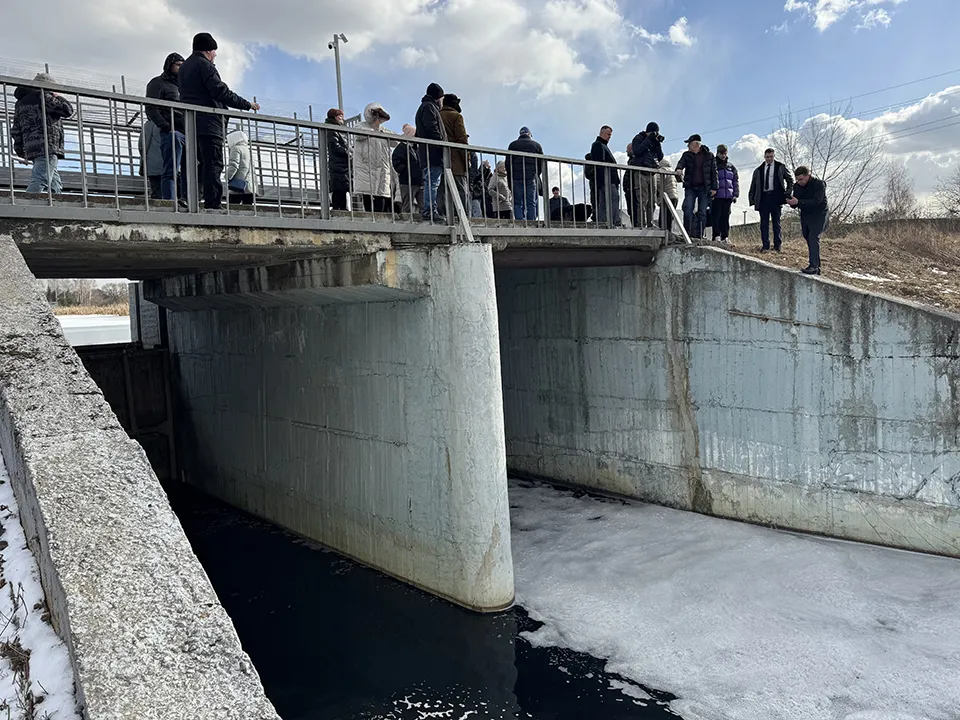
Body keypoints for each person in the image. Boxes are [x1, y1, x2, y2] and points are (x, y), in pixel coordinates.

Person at [178, 33, 259, 209]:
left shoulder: (185, 67)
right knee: (213, 163)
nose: (215, 55)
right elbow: (220, 91)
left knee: (193, 164)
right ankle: (212, 203)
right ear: (208, 50)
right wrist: (247, 104)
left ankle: (189, 198)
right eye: (214, 51)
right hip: (209, 123)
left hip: (191, 123)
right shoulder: (205, 65)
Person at [11, 73, 74, 195]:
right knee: (41, 178)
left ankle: (57, 201)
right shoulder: (44, 96)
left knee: (53, 178)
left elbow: (16, 129)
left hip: (32, 147)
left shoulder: (20, 103)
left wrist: (20, 150)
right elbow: (67, 110)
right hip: (47, 144)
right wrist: (58, 97)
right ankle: (27, 204)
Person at [145, 52, 185, 201]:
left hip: (187, 130)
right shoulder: (158, 82)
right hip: (172, 130)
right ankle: (170, 201)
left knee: (190, 169)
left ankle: (185, 199)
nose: (181, 68)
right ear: (170, 65)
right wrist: (166, 126)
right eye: (178, 65)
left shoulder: (185, 85)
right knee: (171, 169)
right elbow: (150, 107)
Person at [748, 148, 793, 252]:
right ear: (764, 157)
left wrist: (787, 192)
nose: (769, 159)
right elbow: (753, 185)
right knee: (764, 223)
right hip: (763, 198)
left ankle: (777, 246)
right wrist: (752, 199)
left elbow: (790, 180)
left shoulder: (780, 167)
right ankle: (765, 245)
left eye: (771, 157)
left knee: (776, 222)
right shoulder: (759, 170)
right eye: (767, 157)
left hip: (776, 197)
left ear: (774, 156)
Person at [352, 102, 395, 213]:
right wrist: (373, 131)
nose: (379, 121)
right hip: (366, 165)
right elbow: (358, 135)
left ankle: (380, 217)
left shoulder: (383, 130)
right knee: (367, 192)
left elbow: (396, 142)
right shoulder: (360, 126)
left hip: (382, 166)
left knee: (382, 193)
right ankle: (369, 216)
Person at [674, 134, 717, 240]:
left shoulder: (709, 155)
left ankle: (700, 235)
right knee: (688, 208)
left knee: (702, 212)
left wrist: (715, 188)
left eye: (689, 144)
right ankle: (686, 233)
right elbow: (680, 163)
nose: (688, 146)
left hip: (704, 188)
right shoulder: (686, 155)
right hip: (690, 187)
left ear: (696, 144)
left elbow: (714, 172)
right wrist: (679, 169)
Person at [787, 166, 828, 275]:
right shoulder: (797, 186)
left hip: (819, 214)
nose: (799, 182)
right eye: (797, 180)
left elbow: (817, 201)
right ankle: (817, 266)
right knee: (807, 236)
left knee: (813, 236)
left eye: (801, 179)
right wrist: (790, 201)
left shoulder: (819, 184)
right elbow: (796, 203)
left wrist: (799, 202)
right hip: (806, 214)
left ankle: (813, 265)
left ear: (808, 176)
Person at [415, 83, 447, 221]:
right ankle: (429, 211)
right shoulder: (429, 108)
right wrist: (441, 143)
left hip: (428, 152)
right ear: (437, 97)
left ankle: (430, 210)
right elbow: (432, 128)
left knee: (432, 181)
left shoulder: (426, 107)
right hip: (432, 152)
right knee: (432, 182)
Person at [438, 93, 469, 219]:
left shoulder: (437, 115)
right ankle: (463, 218)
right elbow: (462, 140)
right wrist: (466, 161)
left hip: (439, 160)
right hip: (456, 161)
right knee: (461, 191)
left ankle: (443, 216)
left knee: (442, 192)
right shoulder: (457, 116)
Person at [629, 122, 665, 228]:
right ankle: (641, 223)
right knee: (642, 200)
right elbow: (637, 151)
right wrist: (648, 139)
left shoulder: (654, 141)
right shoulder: (638, 138)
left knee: (652, 201)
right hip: (641, 172)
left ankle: (650, 223)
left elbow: (660, 156)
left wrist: (657, 143)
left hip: (652, 172)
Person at [507, 126, 543, 221]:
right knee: (531, 203)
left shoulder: (513, 145)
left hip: (517, 177)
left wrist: (510, 179)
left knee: (518, 202)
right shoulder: (536, 146)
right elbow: (541, 163)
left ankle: (519, 222)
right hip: (531, 177)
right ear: (529, 134)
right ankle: (531, 222)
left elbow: (508, 164)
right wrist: (535, 173)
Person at [590, 125, 621, 227]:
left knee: (603, 202)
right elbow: (600, 163)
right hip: (607, 180)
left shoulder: (600, 145)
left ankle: (603, 223)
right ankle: (614, 221)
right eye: (608, 134)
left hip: (604, 180)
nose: (609, 137)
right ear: (602, 133)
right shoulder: (599, 145)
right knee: (614, 198)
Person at [393, 124, 423, 216]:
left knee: (423, 205)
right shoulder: (400, 148)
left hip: (419, 181)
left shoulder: (416, 148)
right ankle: (406, 223)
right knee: (407, 206)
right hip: (406, 181)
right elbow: (396, 162)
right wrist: (405, 169)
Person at [712, 144, 738, 243]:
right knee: (716, 216)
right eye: (721, 153)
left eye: (725, 153)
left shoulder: (731, 166)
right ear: (717, 153)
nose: (723, 155)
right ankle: (716, 235)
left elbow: (735, 180)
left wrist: (735, 194)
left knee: (726, 217)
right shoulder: (713, 164)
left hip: (728, 196)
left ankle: (725, 236)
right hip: (717, 196)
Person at [325, 108, 350, 211]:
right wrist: (348, 152)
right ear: (334, 117)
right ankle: (338, 209)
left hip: (342, 164)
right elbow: (334, 147)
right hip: (338, 164)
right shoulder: (332, 130)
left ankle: (342, 208)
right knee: (339, 188)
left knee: (343, 188)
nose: (342, 118)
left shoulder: (338, 130)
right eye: (339, 116)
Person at [225, 128, 257, 204]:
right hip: (249, 187)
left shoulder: (235, 149)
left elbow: (233, 165)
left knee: (233, 209)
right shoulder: (249, 151)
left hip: (237, 186)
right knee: (248, 210)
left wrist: (227, 176)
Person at [138, 119, 164, 198]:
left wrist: (143, 158)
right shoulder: (173, 123)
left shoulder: (149, 125)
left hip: (153, 164)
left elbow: (142, 145)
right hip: (171, 164)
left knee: (157, 192)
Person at [658, 157, 679, 234]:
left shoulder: (663, 170)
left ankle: (664, 233)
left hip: (667, 196)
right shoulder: (671, 171)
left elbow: (658, 182)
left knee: (663, 218)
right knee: (669, 217)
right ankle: (669, 232)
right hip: (674, 195)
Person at [469, 152, 483, 218]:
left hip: (477, 194)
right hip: (474, 193)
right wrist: (483, 169)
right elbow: (475, 177)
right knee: (477, 212)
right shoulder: (472, 154)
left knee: (477, 211)